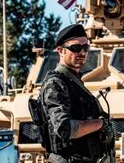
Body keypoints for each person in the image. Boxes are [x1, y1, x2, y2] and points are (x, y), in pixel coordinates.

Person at [39, 24, 114, 163]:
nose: (82, 53)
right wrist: (100, 124)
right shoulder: (56, 83)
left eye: (86, 48)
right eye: (75, 48)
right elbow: (64, 129)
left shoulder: (73, 82)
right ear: (60, 51)